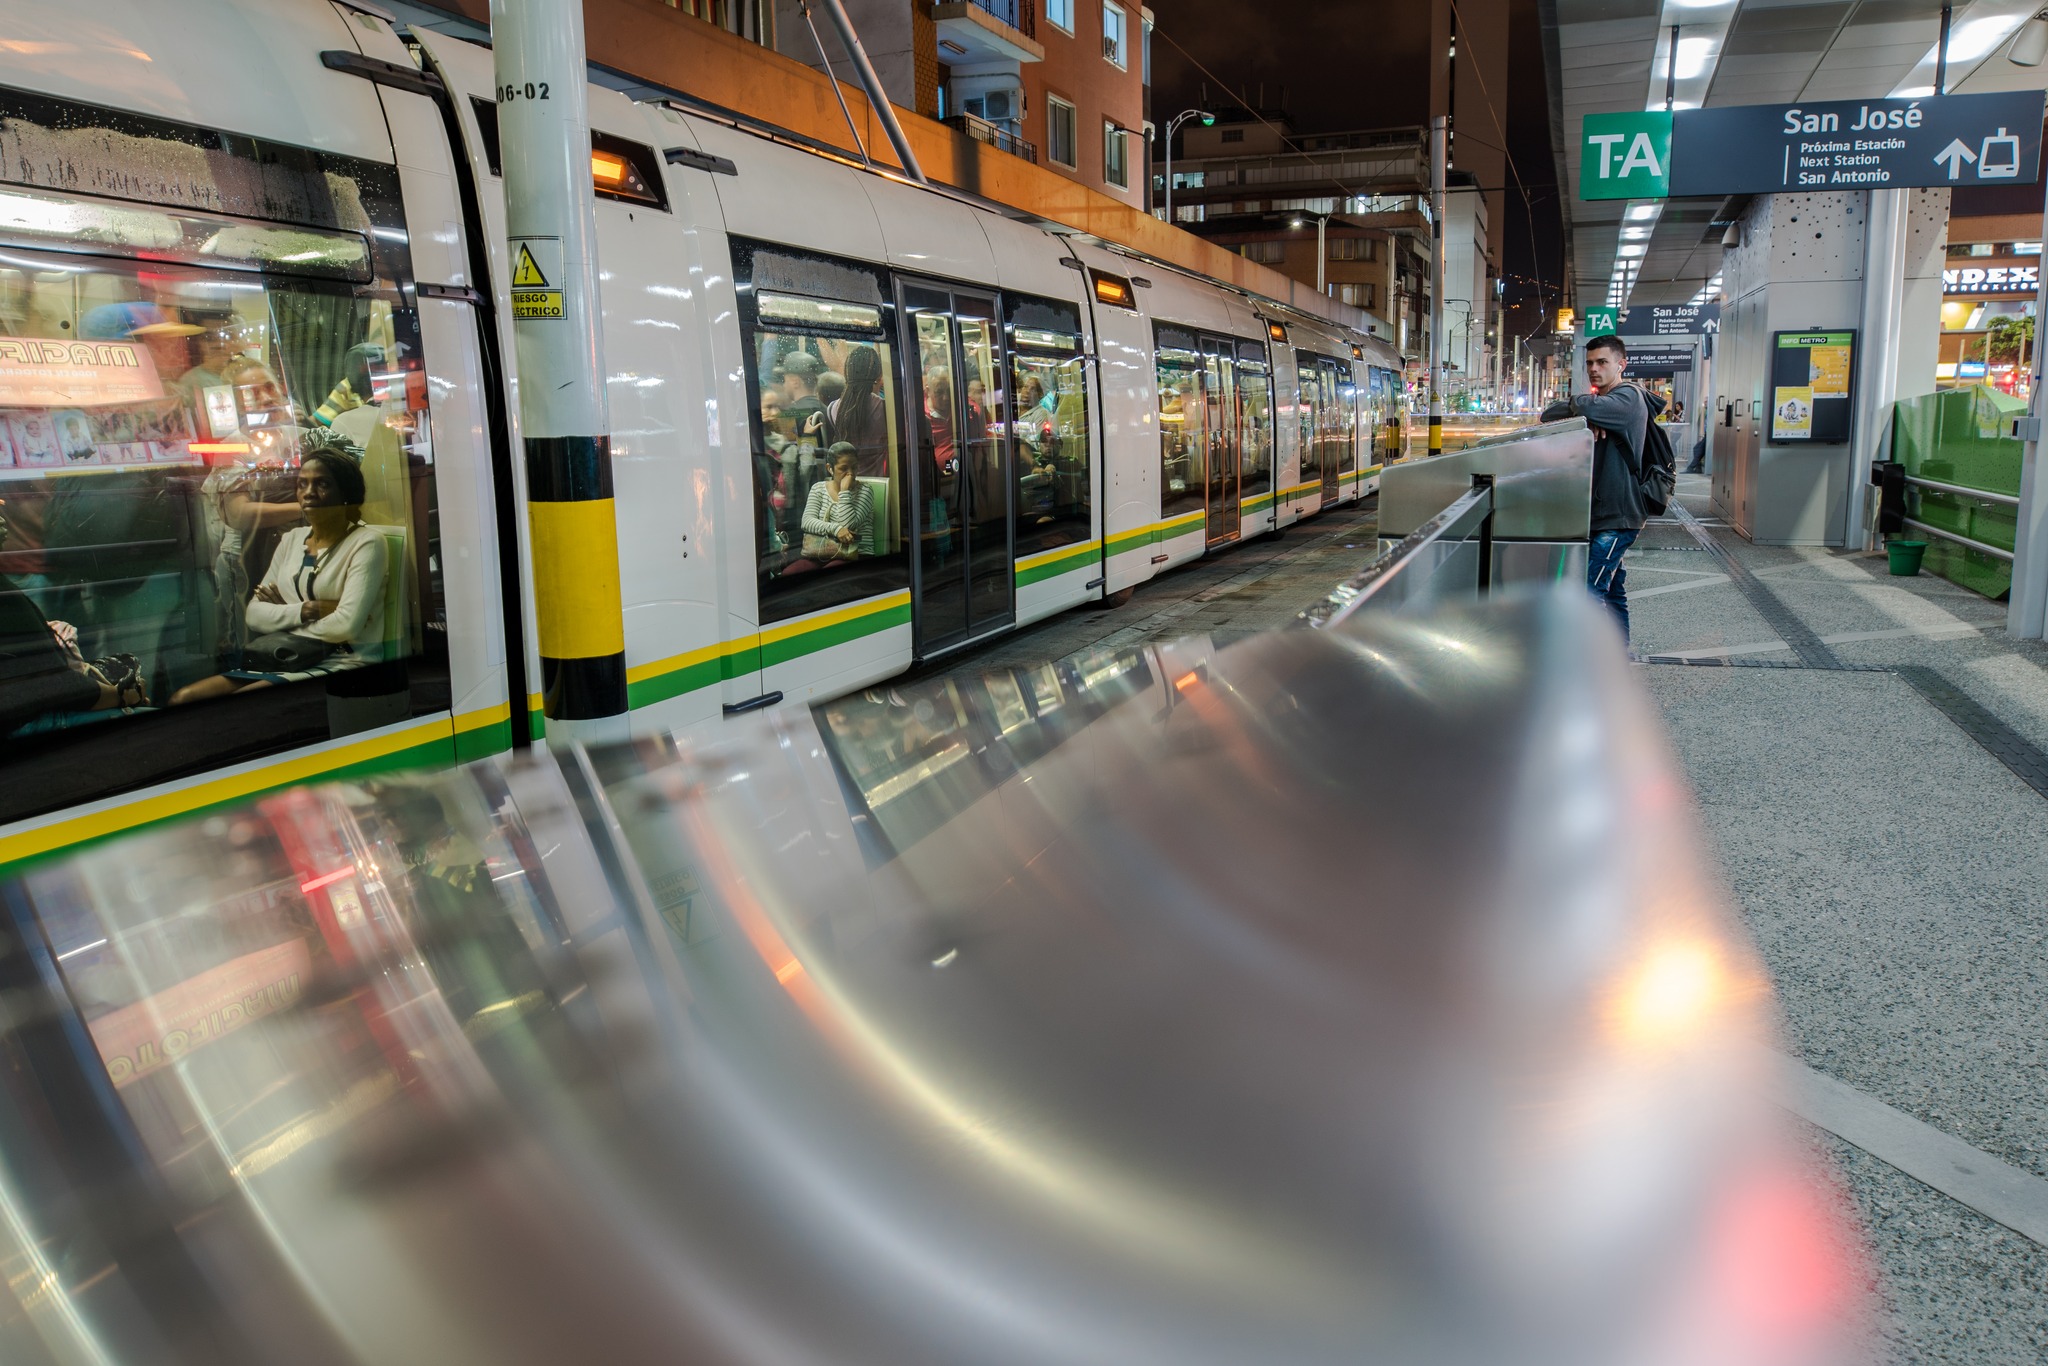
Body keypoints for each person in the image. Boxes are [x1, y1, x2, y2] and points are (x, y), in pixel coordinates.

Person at [171, 445, 387, 704]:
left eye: (323, 484)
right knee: (183, 698)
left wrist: (282, 612)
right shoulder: (292, 539)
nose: (308, 493)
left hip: (341, 661)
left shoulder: (367, 542)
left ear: (346, 493)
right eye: (302, 484)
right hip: (286, 655)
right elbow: (254, 615)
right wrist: (309, 610)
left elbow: (345, 625)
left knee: (229, 709)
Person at [1557, 334, 1662, 642]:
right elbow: (1548, 414)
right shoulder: (1605, 403)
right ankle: (1618, 658)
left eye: (1602, 362)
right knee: (1613, 590)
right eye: (1589, 363)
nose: (1593, 369)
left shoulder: (1629, 398)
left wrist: (1586, 408)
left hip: (1618, 515)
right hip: (1603, 513)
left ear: (1621, 364)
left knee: (1589, 592)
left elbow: (1575, 406)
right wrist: (1590, 412)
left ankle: (1595, 670)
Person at [798, 444, 874, 563]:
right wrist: (836, 529)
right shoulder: (818, 489)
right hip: (821, 551)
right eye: (844, 469)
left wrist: (844, 491)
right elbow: (806, 522)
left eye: (854, 467)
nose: (851, 474)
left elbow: (848, 525)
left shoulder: (865, 491)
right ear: (830, 468)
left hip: (856, 554)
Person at [827, 345, 890, 478]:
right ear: (879, 377)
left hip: (847, 481)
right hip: (879, 482)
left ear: (847, 373)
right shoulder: (885, 409)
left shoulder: (832, 408)